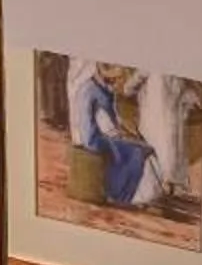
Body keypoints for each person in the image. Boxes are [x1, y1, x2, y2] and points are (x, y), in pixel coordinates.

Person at [66, 58, 158, 208]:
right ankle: (120, 196)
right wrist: (121, 135)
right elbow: (97, 125)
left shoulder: (100, 89)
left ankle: (126, 195)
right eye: (113, 79)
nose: (115, 83)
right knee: (136, 152)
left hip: (101, 135)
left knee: (140, 148)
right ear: (105, 76)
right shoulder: (91, 91)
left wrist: (128, 133)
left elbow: (113, 121)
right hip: (93, 139)